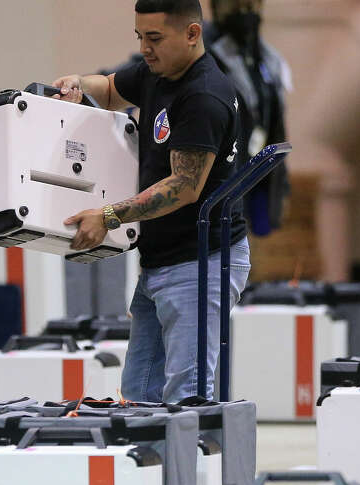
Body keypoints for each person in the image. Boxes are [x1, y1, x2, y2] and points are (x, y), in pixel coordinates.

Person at [53, 0, 248, 402]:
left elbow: (184, 186)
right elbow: (108, 89)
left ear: (192, 34)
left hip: (199, 263)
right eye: (140, 37)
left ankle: (190, 464)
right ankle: (149, 464)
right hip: (160, 260)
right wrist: (78, 83)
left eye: (155, 38)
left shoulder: (203, 96)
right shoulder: (156, 72)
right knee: (140, 394)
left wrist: (107, 216)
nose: (145, 48)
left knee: (187, 395)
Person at [206, 0, 291, 236]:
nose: (246, 12)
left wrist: (281, 186)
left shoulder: (267, 59)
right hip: (220, 178)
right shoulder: (202, 51)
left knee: (249, 251)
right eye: (236, 5)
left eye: (252, 5)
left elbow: (276, 124)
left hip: (257, 175)